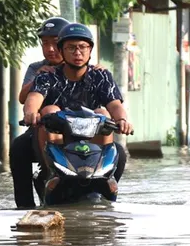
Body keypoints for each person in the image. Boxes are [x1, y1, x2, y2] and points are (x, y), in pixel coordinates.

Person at [23, 22, 133, 179]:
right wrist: (31, 113)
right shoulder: (46, 76)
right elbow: (34, 97)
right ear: (62, 50)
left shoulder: (101, 76)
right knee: (48, 112)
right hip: (57, 139)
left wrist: (122, 120)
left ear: (90, 51)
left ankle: (105, 179)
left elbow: (114, 104)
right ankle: (50, 174)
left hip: (92, 138)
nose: (77, 53)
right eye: (71, 48)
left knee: (104, 117)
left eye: (82, 47)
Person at [10, 16, 69, 208]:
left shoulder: (86, 68)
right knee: (19, 148)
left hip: (81, 129)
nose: (50, 49)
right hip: (43, 127)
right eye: (45, 44)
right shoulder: (37, 69)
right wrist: (38, 77)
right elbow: (23, 98)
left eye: (55, 43)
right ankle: (24, 206)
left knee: (118, 153)